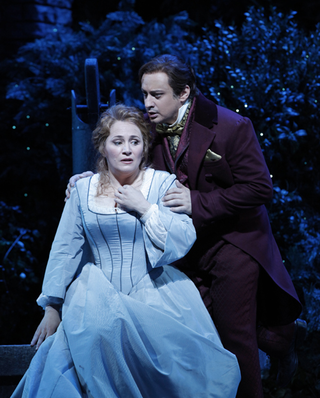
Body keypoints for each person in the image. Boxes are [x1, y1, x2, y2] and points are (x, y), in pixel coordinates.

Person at [67, 55, 307, 398]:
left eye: (157, 95)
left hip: (233, 242)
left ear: (184, 94)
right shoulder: (151, 129)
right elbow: (125, 163)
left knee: (234, 336)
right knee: (193, 334)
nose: (148, 103)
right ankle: (280, 337)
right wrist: (90, 181)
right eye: (145, 94)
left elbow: (259, 189)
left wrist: (198, 202)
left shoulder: (231, 126)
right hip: (183, 248)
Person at [12, 104, 241, 398]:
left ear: (145, 146)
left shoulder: (161, 183)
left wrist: (145, 209)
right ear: (103, 147)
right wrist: (52, 306)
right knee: (90, 341)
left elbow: (184, 237)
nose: (127, 149)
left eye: (135, 141)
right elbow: (65, 249)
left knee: (175, 360)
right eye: (117, 142)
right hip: (95, 294)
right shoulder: (83, 190)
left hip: (155, 292)